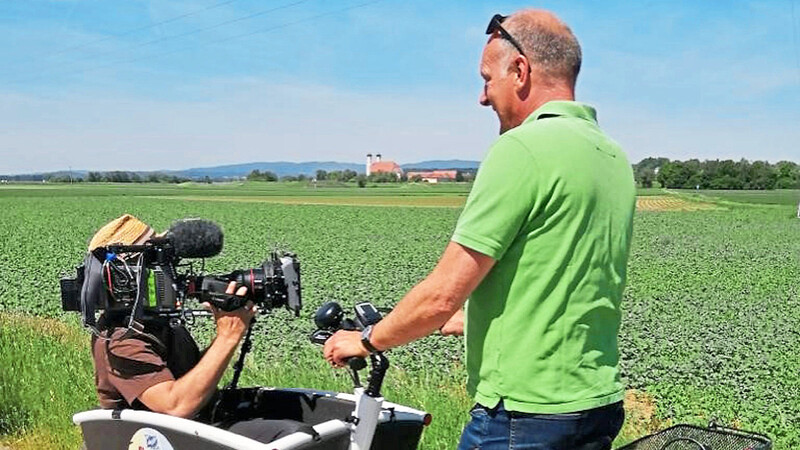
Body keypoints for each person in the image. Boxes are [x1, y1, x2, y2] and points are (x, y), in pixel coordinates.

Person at [323, 9, 636, 449]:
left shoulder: (522, 149)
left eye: (487, 79)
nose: (482, 97)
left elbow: (440, 295)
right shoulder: (612, 157)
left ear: (520, 71)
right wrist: (471, 322)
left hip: (524, 416)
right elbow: (563, 289)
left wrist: (365, 340)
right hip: (595, 405)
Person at [87, 214, 307, 443]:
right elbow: (175, 406)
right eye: (160, 263)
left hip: (189, 431)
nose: (171, 271)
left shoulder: (155, 322)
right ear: (130, 277)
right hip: (164, 440)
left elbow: (190, 378)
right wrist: (227, 336)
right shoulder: (121, 340)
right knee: (293, 436)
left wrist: (232, 328)